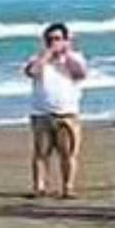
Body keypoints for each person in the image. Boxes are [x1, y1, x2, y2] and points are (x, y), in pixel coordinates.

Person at [24, 22, 89, 198]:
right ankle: (39, 187)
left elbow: (80, 73)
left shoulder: (75, 58)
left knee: (68, 153)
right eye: (50, 39)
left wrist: (65, 53)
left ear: (66, 39)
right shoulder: (38, 58)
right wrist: (48, 54)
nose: (54, 42)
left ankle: (68, 187)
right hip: (42, 113)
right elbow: (32, 72)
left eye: (58, 38)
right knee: (41, 153)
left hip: (66, 113)